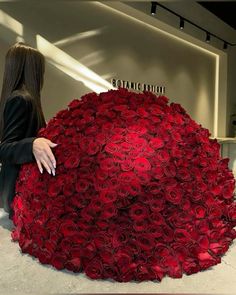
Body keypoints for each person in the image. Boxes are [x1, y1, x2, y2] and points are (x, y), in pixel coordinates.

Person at [0, 42, 58, 220]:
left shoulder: (22, 99)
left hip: (23, 191)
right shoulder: (20, 99)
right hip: (18, 193)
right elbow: (5, 147)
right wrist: (32, 144)